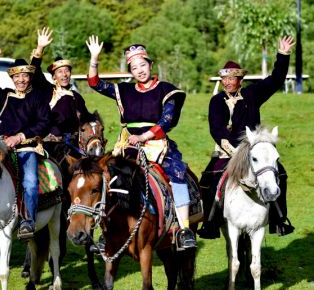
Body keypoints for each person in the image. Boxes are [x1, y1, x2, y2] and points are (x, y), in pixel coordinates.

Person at [86, 36, 196, 249]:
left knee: (178, 173)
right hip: (128, 145)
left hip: (157, 143)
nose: (139, 70)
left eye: (143, 65)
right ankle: (106, 231)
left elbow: (167, 120)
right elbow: (94, 83)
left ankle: (184, 230)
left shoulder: (166, 89)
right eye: (134, 68)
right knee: (108, 177)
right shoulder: (124, 91)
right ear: (131, 71)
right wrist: (94, 58)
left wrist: (144, 137)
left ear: (151, 65)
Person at [198, 36, 296, 239]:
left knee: (281, 175)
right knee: (207, 180)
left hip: (254, 150)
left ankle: (279, 219)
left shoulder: (252, 94)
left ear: (240, 80)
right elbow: (216, 128)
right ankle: (211, 224)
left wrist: (283, 54)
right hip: (226, 152)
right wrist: (232, 151)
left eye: (231, 79)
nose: (227, 83)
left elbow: (276, 79)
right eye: (224, 79)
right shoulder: (216, 101)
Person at [0, 48, 51, 240]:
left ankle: (27, 221)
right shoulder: (4, 96)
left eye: (25, 76)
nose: (21, 80)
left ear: (30, 77)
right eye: (17, 76)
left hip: (26, 148)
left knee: (30, 182)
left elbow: (44, 123)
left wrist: (20, 137)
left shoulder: (38, 97)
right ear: (12, 78)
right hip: (1, 147)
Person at [31, 27, 94, 163]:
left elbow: (87, 120)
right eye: (60, 72)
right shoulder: (47, 91)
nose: (64, 74)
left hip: (73, 147)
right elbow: (35, 73)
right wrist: (40, 48)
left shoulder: (77, 97)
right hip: (50, 146)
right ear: (54, 76)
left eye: (67, 71)